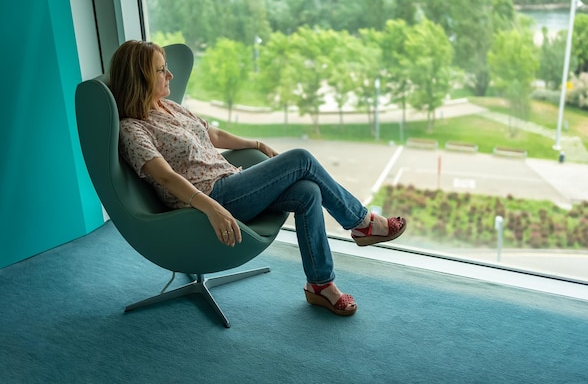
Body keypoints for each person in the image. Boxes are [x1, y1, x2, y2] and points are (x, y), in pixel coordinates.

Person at [109, 40, 407, 317]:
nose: (171, 75)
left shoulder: (169, 106)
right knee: (300, 158)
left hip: (230, 182)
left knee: (308, 191)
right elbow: (165, 176)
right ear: (140, 77)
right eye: (161, 70)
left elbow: (212, 134)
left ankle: (320, 284)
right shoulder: (132, 129)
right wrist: (211, 208)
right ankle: (362, 223)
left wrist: (256, 143)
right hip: (211, 199)